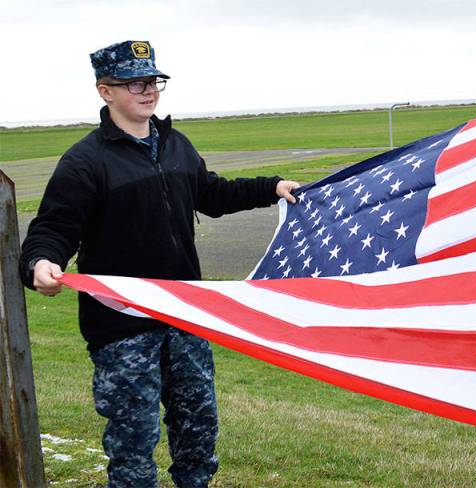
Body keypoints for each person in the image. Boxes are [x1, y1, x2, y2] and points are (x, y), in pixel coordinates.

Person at [20, 40, 300, 488]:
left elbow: (211, 194)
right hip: (122, 325)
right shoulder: (85, 161)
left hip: (184, 316)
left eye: (153, 81)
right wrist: (40, 262)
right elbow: (54, 227)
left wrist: (272, 186)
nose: (147, 91)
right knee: (133, 443)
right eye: (134, 82)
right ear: (105, 91)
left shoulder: (176, 146)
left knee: (197, 431)